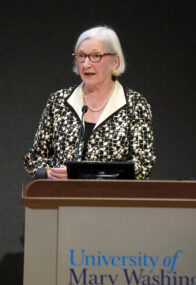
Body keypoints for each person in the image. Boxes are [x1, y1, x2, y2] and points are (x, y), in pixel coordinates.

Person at [24, 25, 156, 180]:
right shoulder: (58, 101)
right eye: (81, 56)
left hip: (112, 201)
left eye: (95, 56)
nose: (86, 64)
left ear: (115, 62)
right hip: (61, 199)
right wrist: (49, 173)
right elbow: (34, 158)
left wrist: (85, 176)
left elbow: (143, 165)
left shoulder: (135, 105)